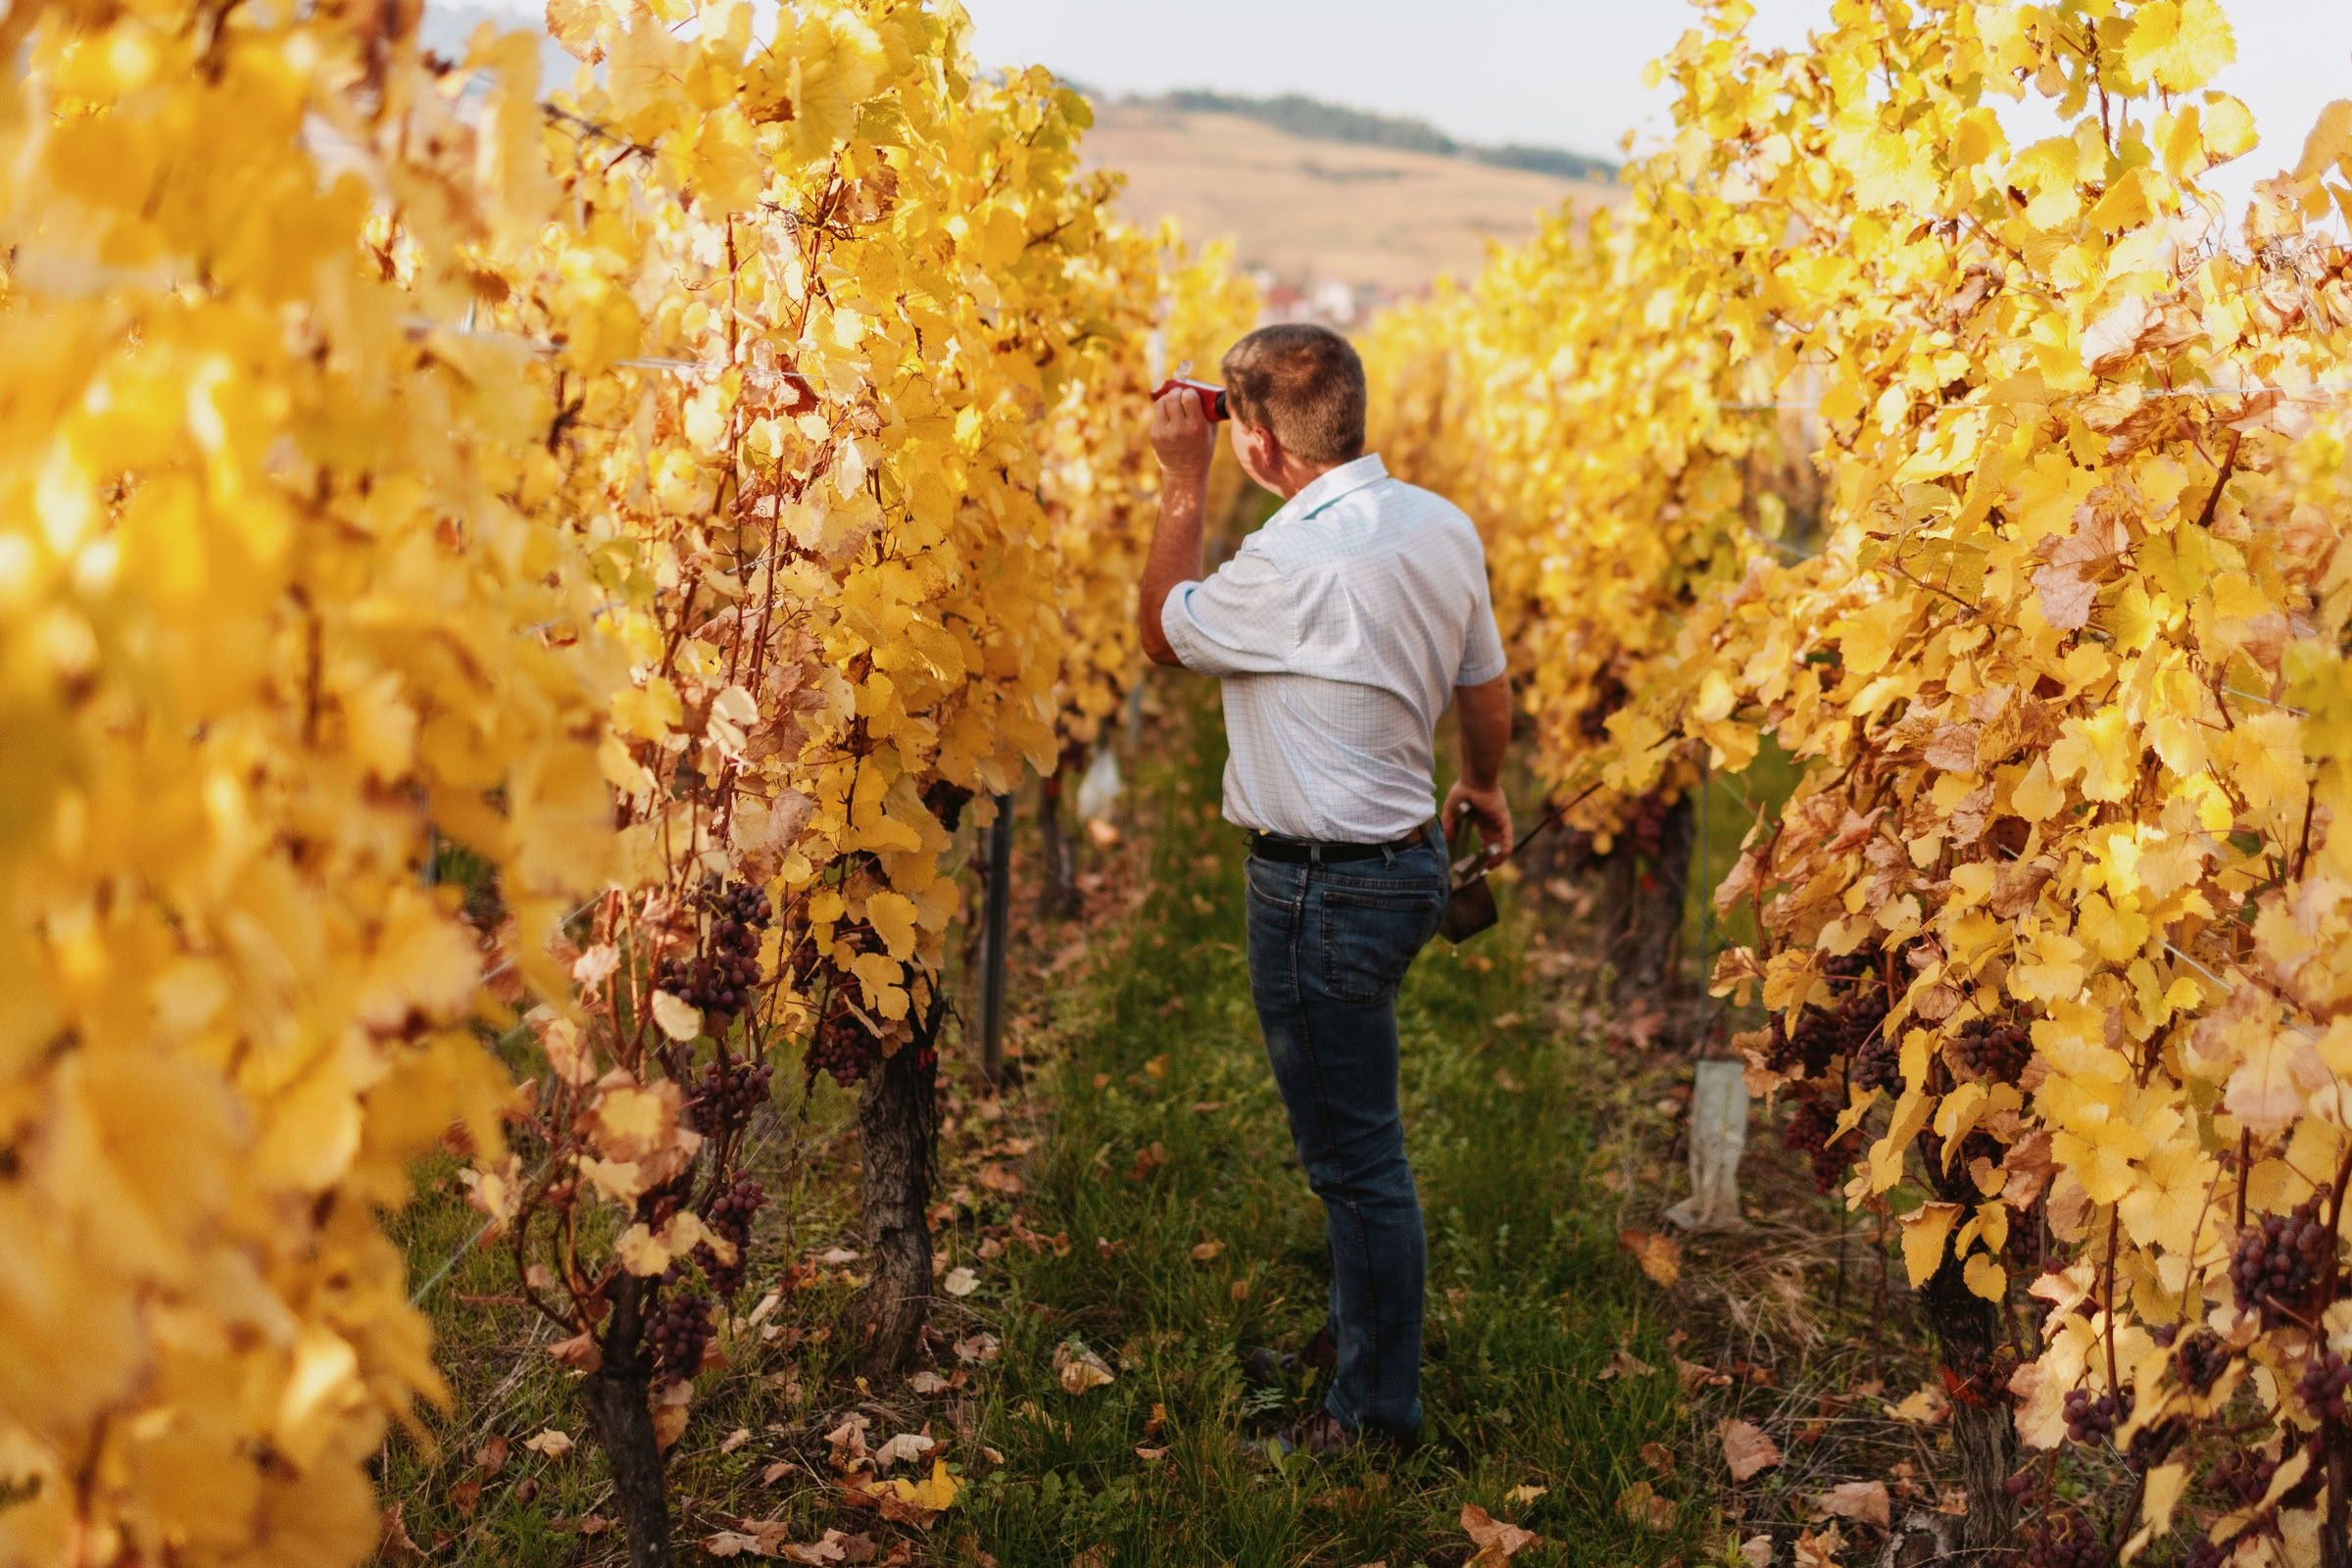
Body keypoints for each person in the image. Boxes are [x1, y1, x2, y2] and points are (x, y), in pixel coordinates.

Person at [1140, 322, 1514, 1457]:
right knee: (1358, 1149)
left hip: (1321, 893)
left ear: (1257, 442)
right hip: (1402, 867)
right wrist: (1483, 784)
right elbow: (1485, 682)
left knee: (1357, 1164)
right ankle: (1363, 1351)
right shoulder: (1439, 524)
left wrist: (1177, 482)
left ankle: (1374, 1418)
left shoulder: (1288, 564)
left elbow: (1164, 633)